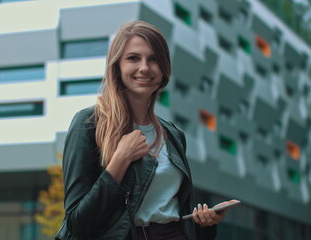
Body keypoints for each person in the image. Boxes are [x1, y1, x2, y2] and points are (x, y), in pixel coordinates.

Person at [55, 20, 233, 240]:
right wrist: (120, 160)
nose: (145, 67)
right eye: (133, 58)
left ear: (164, 68)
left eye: (154, 59)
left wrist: (204, 223)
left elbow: (172, 213)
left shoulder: (173, 135)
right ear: (117, 66)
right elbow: (76, 224)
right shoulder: (89, 123)